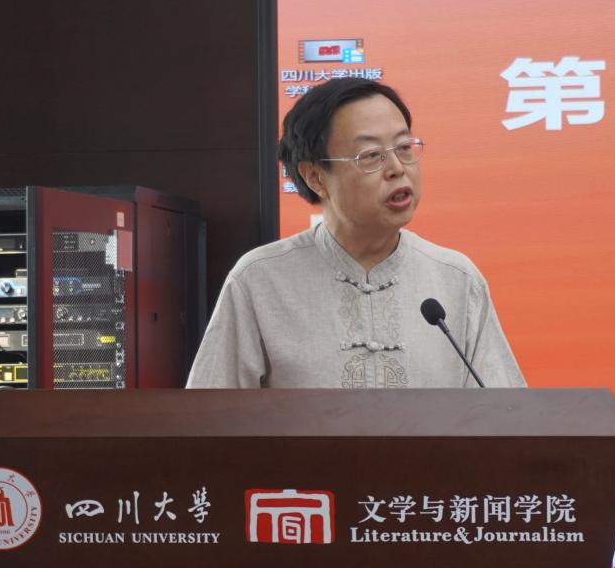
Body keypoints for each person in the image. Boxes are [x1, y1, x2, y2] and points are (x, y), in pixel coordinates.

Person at [186, 78, 525, 388]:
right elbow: (210, 418)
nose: (397, 169)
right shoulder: (260, 279)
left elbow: (506, 414)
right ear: (316, 177)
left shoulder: (456, 279)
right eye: (371, 156)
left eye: (404, 148)